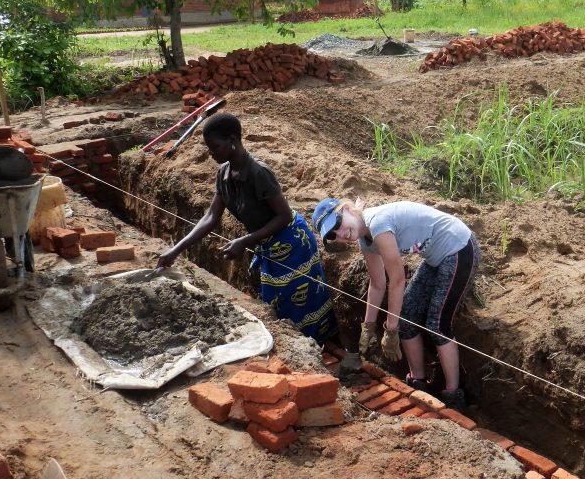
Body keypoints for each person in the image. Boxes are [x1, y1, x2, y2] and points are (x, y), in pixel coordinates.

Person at [157, 113, 338, 344]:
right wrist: (176, 250)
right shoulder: (223, 174)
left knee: (301, 298)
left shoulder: (258, 173)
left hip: (292, 242)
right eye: (209, 148)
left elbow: (283, 216)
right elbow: (211, 216)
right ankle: (299, 345)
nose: (211, 153)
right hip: (267, 243)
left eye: (215, 147)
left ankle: (318, 346)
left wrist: (245, 241)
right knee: (277, 301)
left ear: (233, 139)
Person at [312, 197, 480, 412]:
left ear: (346, 209)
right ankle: (418, 383)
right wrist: (368, 328)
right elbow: (377, 284)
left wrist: (391, 330)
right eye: (333, 236)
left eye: (337, 224)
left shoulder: (378, 224)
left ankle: (453, 396)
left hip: (460, 249)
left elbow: (397, 279)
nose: (340, 235)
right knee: (407, 316)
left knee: (437, 324)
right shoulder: (366, 240)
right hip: (435, 260)